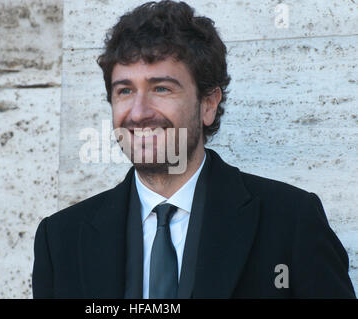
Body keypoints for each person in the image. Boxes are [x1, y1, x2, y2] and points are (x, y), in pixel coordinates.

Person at [32, 0, 356, 298]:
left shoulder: (292, 222)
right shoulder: (60, 240)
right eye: (125, 90)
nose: (139, 111)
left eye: (161, 88)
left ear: (208, 104)